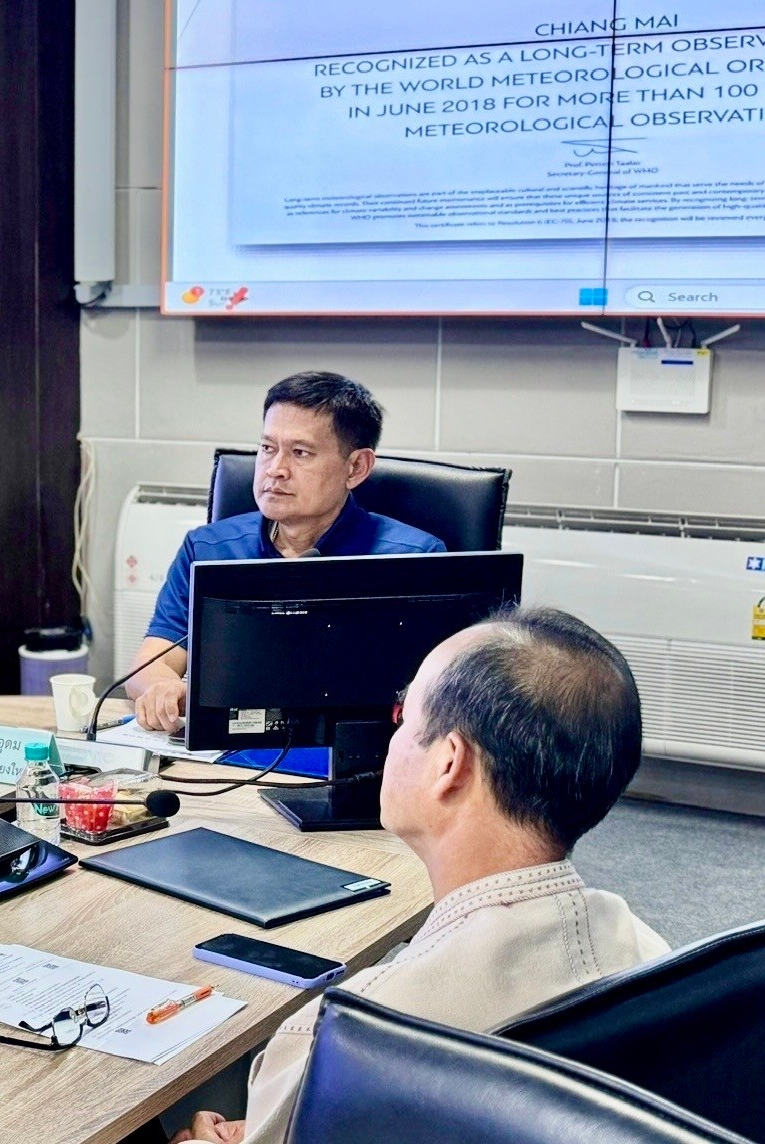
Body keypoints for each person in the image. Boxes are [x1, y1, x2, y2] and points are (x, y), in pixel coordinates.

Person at [170, 607, 667, 1144]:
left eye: (403, 717)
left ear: (449, 764)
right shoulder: (662, 966)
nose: (393, 737)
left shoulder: (345, 1042)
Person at [128, 371, 444, 733]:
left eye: (300, 453)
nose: (275, 469)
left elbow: (441, 696)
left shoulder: (414, 560)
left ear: (356, 467)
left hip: (357, 752)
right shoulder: (210, 548)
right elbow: (150, 664)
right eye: (267, 448)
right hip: (230, 748)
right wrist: (161, 689)